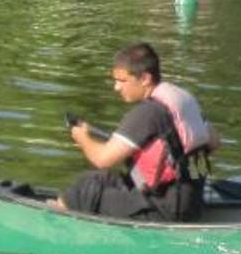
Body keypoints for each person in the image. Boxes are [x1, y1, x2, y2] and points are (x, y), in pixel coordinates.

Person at [59, 42, 216, 221]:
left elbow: (102, 159)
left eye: (122, 81)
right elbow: (214, 142)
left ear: (145, 79)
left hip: (163, 210)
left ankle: (56, 220)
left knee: (83, 191)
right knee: (97, 180)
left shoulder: (147, 113)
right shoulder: (184, 99)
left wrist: (82, 137)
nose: (116, 87)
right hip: (192, 203)